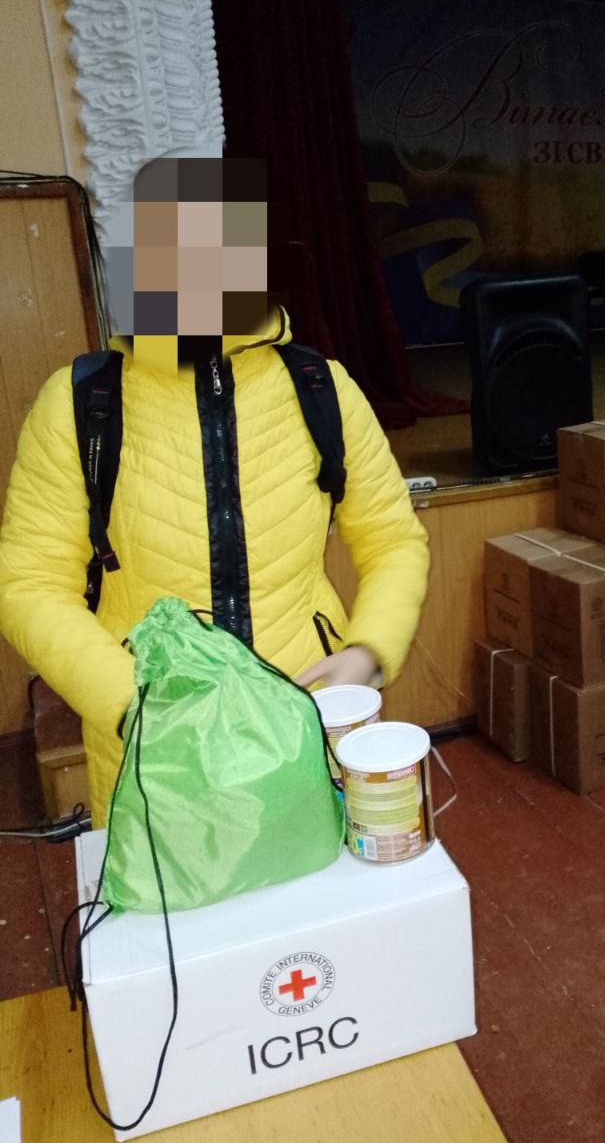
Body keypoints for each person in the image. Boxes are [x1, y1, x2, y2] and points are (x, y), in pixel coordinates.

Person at [0, 152, 429, 827]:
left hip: (307, 720)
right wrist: (134, 704)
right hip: (156, 748)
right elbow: (28, 582)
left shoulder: (322, 387)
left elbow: (393, 540)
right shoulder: (81, 403)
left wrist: (368, 650)